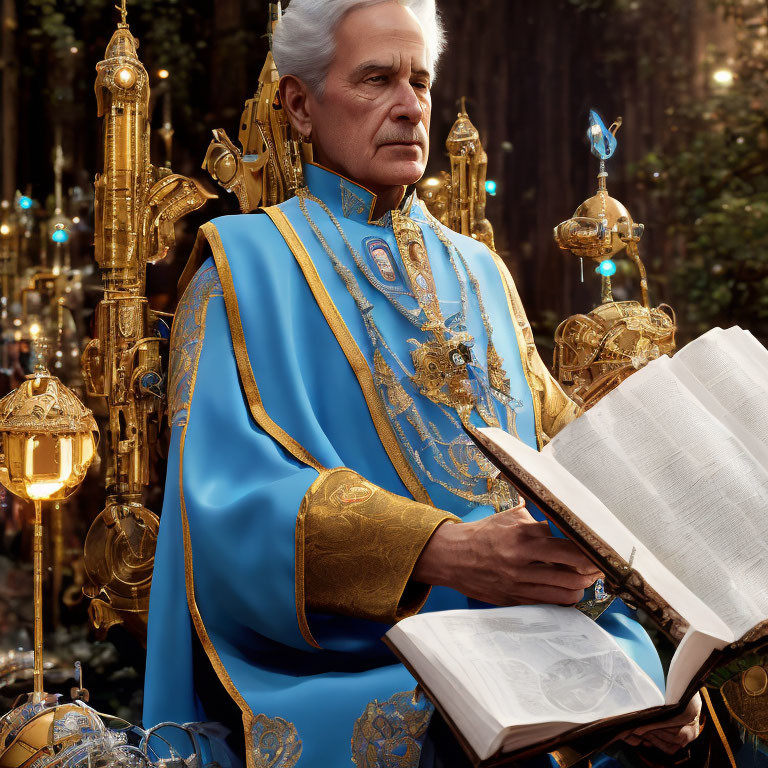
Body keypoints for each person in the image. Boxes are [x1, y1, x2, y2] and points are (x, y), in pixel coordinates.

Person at [143, 1, 701, 766]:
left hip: (548, 653)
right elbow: (229, 505)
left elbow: (567, 469)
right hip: (372, 666)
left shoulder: (481, 270)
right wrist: (440, 550)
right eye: (377, 79)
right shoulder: (242, 269)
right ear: (300, 105)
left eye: (421, 80)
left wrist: (663, 649)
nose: (409, 106)